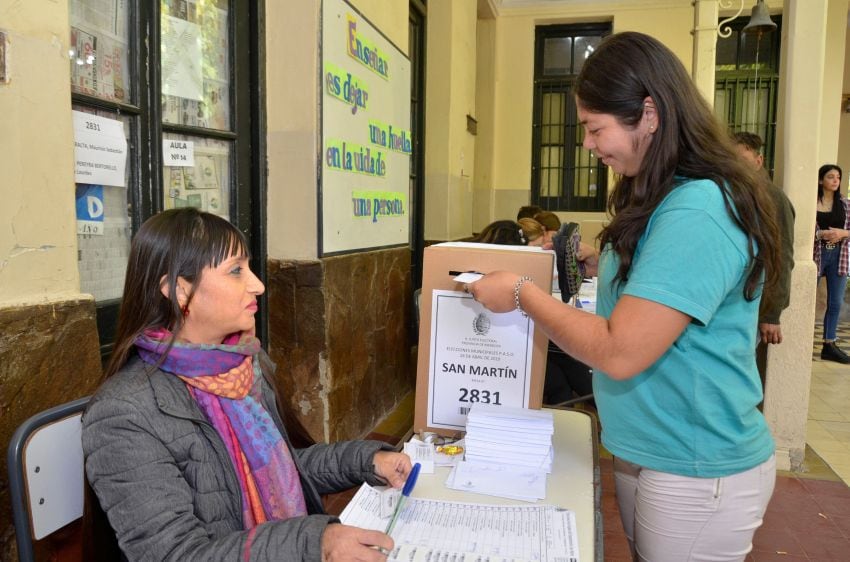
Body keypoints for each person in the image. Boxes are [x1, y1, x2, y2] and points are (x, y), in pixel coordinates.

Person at [468, 32, 780, 561]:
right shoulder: (669, 194)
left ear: (649, 114)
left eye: (595, 128)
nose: (588, 145)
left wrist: (523, 294)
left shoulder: (699, 209)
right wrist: (602, 260)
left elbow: (620, 349)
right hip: (651, 447)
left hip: (693, 463)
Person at [82, 208, 412, 561]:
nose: (258, 285)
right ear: (179, 290)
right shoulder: (124, 414)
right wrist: (315, 543)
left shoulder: (241, 367)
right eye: (236, 271)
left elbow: (284, 469)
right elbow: (177, 555)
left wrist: (368, 461)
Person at [732, 132, 796, 385]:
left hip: (755, 309)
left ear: (758, 161)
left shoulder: (773, 198)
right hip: (732, 306)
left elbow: (782, 256)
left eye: (742, 160)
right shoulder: (731, 193)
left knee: (746, 383)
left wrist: (771, 314)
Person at [814, 164, 850, 363]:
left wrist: (842, 233)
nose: (835, 180)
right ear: (821, 180)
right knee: (808, 300)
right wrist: (820, 234)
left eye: (838, 177)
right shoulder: (812, 203)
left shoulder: (845, 205)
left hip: (839, 255)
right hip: (817, 255)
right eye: (830, 177)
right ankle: (800, 340)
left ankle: (829, 344)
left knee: (835, 302)